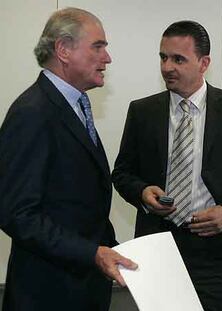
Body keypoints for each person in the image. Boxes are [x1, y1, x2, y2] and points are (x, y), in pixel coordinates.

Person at [112, 20, 222, 311]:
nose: (167, 67)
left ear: (204, 63)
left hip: (217, 251)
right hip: (158, 246)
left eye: (178, 59)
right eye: (163, 57)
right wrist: (142, 193)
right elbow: (122, 173)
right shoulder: (142, 112)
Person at [0, 8, 137, 311]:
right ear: (63, 50)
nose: (107, 58)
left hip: (79, 288)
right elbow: (17, 214)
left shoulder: (73, 105)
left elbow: (77, 202)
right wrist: (91, 253)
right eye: (98, 46)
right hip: (48, 293)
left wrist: (108, 250)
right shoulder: (32, 112)